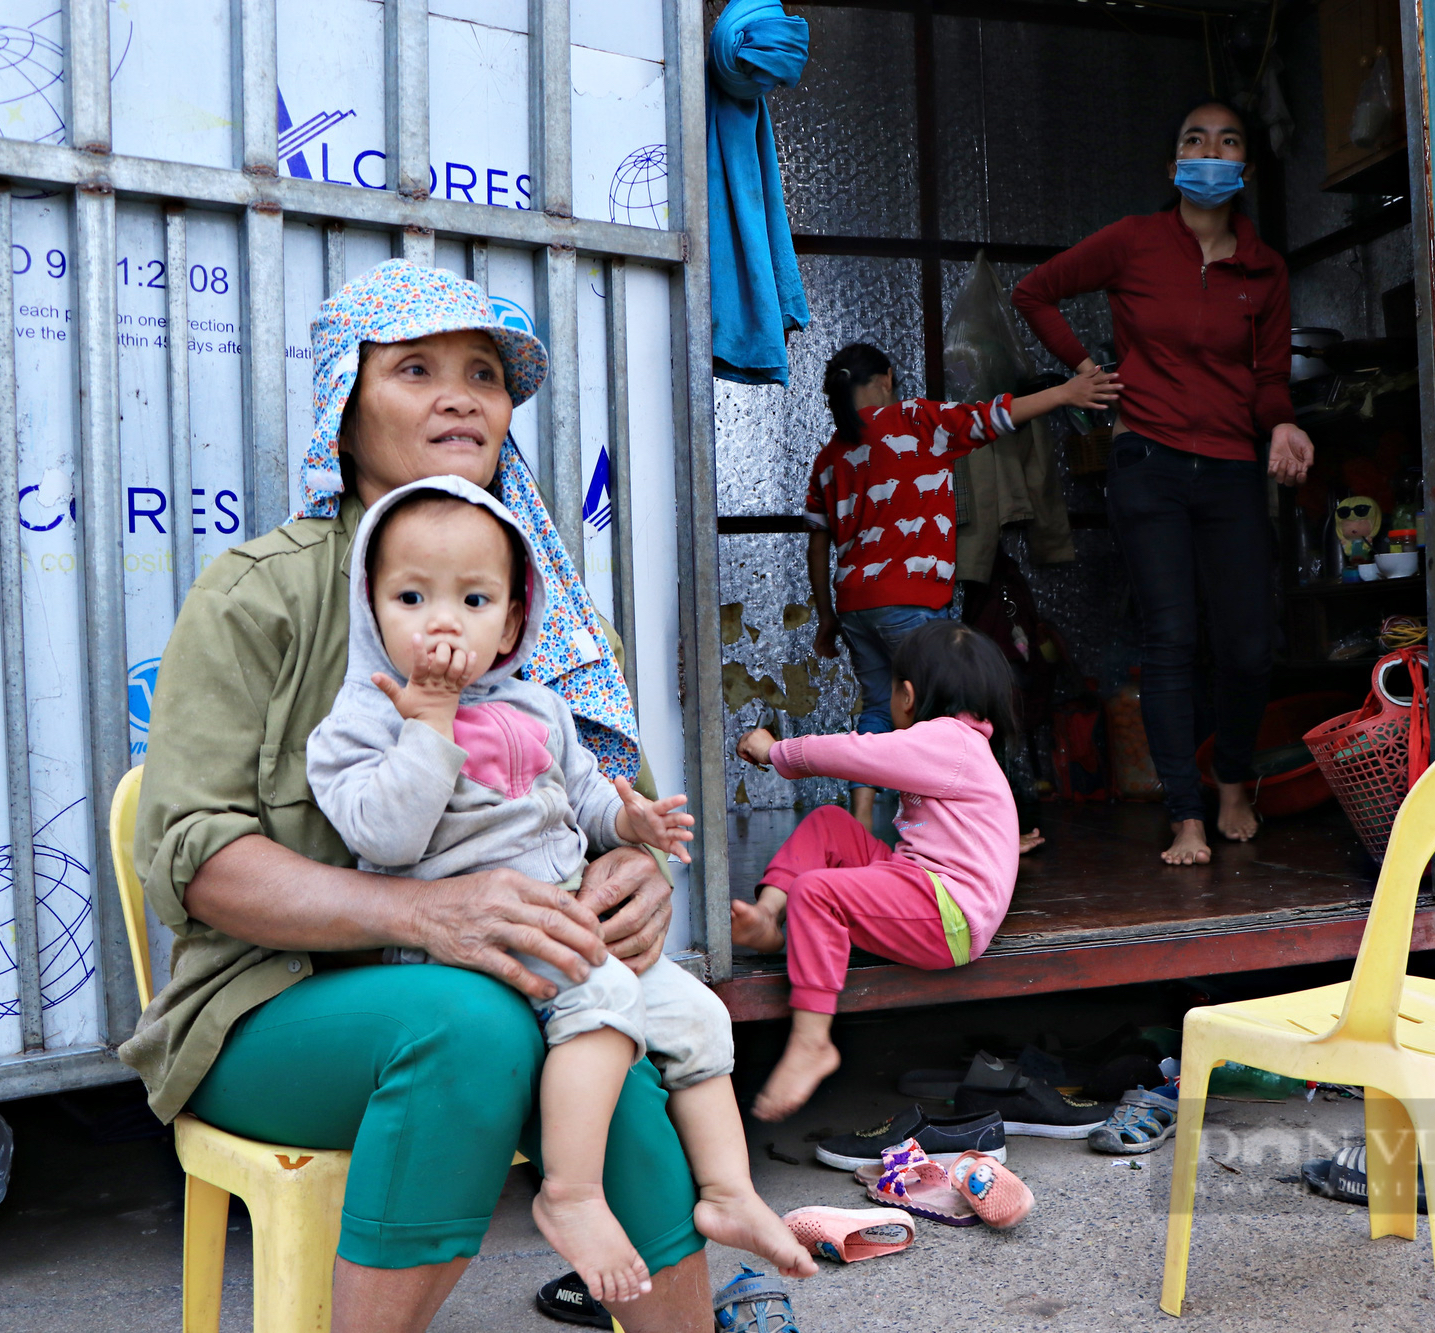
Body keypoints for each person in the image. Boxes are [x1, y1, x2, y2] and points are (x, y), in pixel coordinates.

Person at [121, 261, 715, 1333]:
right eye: (415, 370)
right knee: (465, 1020)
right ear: (340, 415)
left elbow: (620, 809)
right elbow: (194, 855)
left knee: (612, 1065)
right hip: (271, 1004)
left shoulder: (540, 604)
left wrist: (635, 874)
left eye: (483, 374)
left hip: (518, 982)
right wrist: (415, 913)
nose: (461, 395)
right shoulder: (261, 592)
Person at [305, 476, 813, 1304]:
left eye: (472, 599)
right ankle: (569, 1193)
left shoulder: (539, 705)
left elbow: (581, 800)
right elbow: (383, 835)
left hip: (560, 928)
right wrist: (428, 725)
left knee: (699, 1015)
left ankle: (728, 1191)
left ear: (511, 620)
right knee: (606, 990)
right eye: (410, 596)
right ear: (371, 608)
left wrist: (632, 821)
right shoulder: (363, 719)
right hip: (456, 952)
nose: (441, 621)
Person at [1013, 98, 1316, 867]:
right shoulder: (1136, 242)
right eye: (1193, 139)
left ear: (1244, 168)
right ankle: (1187, 813)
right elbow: (1033, 292)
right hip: (1145, 462)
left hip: (1230, 468)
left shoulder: (1265, 269)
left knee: (1247, 644)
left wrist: (1281, 424)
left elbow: (1271, 375)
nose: (1209, 151)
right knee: (1171, 640)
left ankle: (1234, 780)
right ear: (1173, 162)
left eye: (1226, 142)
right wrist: (1086, 371)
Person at [802, 342, 1118, 831]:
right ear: (886, 379)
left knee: (879, 709)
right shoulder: (913, 421)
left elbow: (818, 545)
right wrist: (1065, 393)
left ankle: (861, 820)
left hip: (855, 606)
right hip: (909, 600)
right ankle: (976, 829)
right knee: (949, 716)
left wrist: (826, 617)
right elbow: (995, 416)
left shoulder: (830, 456)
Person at [731, 621, 1021, 1120]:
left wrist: (775, 752)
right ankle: (767, 915)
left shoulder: (949, 741)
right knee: (828, 825)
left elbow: (855, 753)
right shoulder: (963, 744)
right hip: (930, 891)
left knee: (818, 892)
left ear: (907, 696)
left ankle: (811, 1040)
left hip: (950, 915)